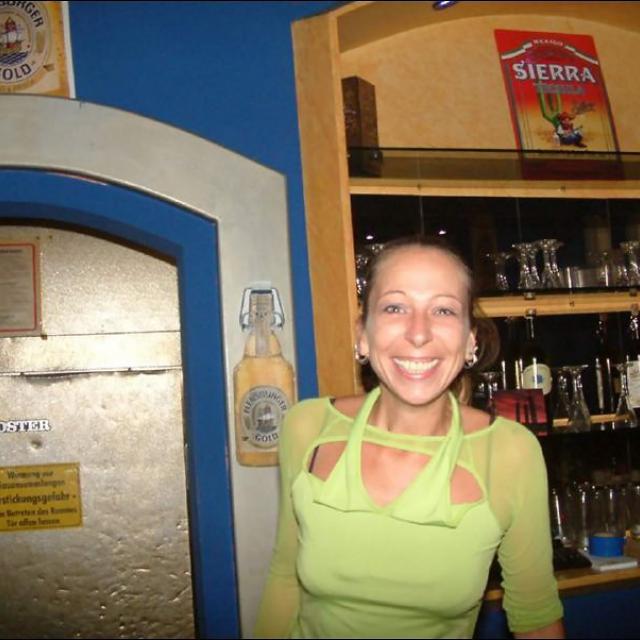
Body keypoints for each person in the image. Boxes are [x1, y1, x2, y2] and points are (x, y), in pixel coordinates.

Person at [254, 236, 565, 639]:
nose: (419, 333)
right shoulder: (307, 427)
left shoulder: (509, 451)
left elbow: (535, 616)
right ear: (363, 334)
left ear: (470, 341)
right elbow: (284, 579)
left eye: (443, 310)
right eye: (395, 307)